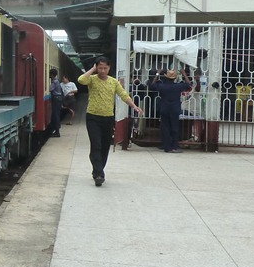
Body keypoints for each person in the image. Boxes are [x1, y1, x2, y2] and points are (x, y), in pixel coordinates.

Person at [77, 56, 143, 186]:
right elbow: (81, 80)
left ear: (109, 68)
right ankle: (98, 174)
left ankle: (98, 169)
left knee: (105, 146)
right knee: (96, 145)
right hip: (93, 117)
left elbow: (123, 95)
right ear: (96, 68)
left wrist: (134, 106)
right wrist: (92, 69)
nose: (102, 71)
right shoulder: (92, 80)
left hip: (108, 118)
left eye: (105, 68)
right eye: (100, 68)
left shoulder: (113, 82)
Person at [149, 68, 192, 152]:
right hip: (175, 109)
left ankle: (166, 147)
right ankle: (174, 147)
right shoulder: (178, 86)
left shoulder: (162, 86)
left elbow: (152, 85)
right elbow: (188, 84)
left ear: (166, 77)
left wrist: (157, 74)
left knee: (165, 128)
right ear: (175, 78)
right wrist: (184, 74)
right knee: (175, 128)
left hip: (164, 108)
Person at [48, 68, 64, 138]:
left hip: (56, 99)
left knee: (56, 115)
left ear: (52, 74)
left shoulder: (54, 81)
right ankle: (56, 130)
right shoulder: (57, 80)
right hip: (58, 99)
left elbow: (50, 89)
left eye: (49, 74)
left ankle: (57, 132)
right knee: (55, 115)